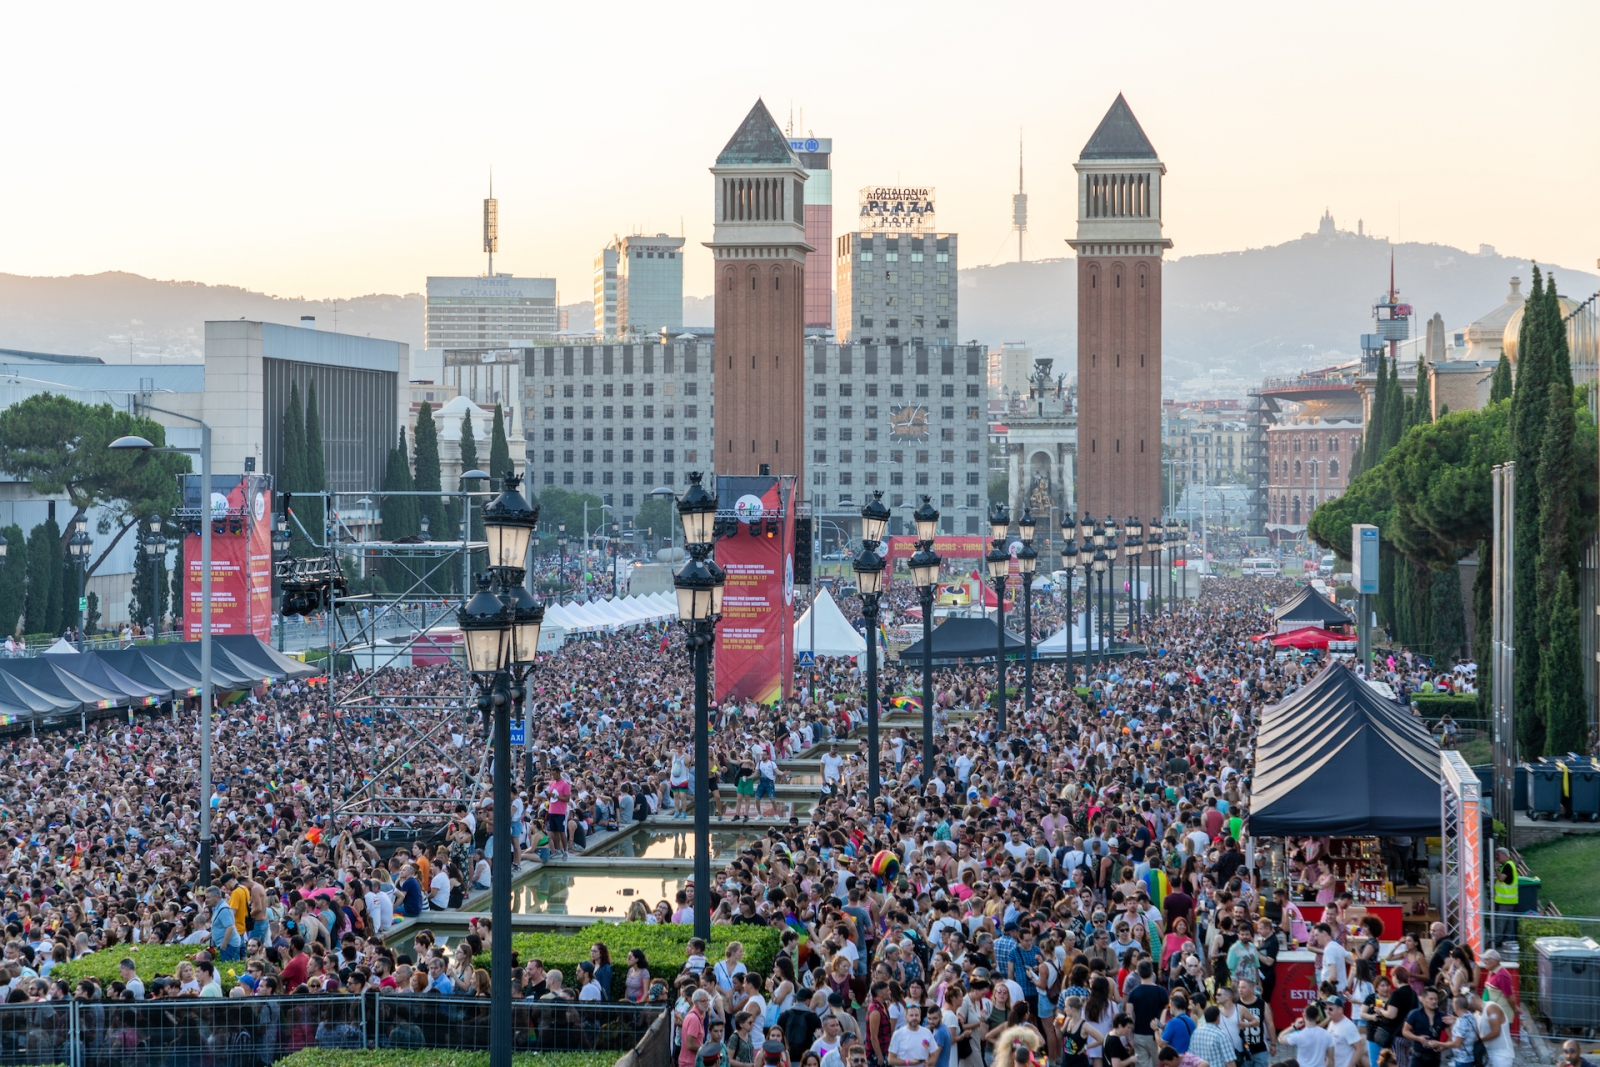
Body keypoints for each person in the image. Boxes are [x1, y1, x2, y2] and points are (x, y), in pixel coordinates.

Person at [1127, 961, 1169, 1067]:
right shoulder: (1161, 991)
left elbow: (1129, 1015)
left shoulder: (1133, 993)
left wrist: (1130, 1035)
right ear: (1152, 972)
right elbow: (1168, 1013)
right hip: (1157, 1034)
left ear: (1139, 974)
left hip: (1139, 1034)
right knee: (1158, 1063)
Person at [1401, 987, 1448, 1067]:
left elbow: (1451, 1035)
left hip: (1435, 1058)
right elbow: (1405, 1031)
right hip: (1418, 1057)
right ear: (1423, 1000)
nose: (1434, 1001)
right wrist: (1418, 1038)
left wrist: (1442, 1045)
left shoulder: (1442, 1016)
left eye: (1436, 999)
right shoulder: (1415, 1014)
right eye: (1431, 999)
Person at [889, 1002, 937, 1067]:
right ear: (905, 1017)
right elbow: (891, 1059)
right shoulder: (898, 1034)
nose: (914, 1018)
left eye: (916, 1015)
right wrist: (907, 1062)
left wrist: (928, 1063)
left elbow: (933, 1056)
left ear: (920, 1017)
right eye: (911, 1015)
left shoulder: (927, 1033)